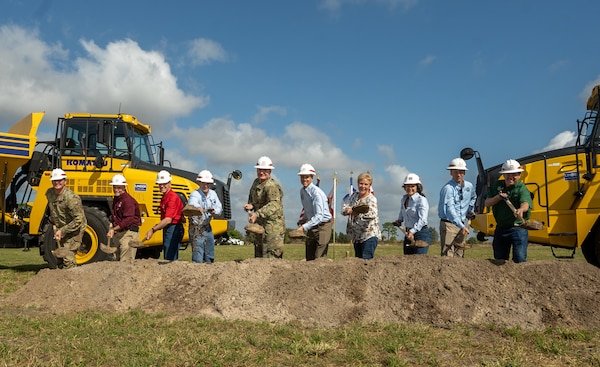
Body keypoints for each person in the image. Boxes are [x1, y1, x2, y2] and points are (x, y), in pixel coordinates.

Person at [484, 159, 533, 263]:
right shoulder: (497, 185)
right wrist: (498, 197)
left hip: (518, 228)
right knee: (499, 259)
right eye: (507, 174)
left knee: (519, 260)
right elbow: (487, 203)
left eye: (514, 174)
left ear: (519, 175)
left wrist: (520, 210)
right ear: (503, 175)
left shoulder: (521, 188)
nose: (510, 177)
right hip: (501, 229)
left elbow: (526, 203)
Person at [243, 156, 285, 258]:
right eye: (259, 170)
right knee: (259, 256)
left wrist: (257, 214)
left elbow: (274, 205)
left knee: (272, 257)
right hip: (260, 226)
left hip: (272, 227)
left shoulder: (272, 186)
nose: (262, 172)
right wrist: (250, 205)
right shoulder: (256, 183)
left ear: (270, 171)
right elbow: (254, 200)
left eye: (265, 170)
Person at [45, 168, 87, 268]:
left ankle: (72, 281)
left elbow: (79, 220)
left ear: (65, 182)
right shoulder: (50, 193)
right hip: (61, 228)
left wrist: (62, 231)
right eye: (55, 180)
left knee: (68, 258)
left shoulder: (71, 198)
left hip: (75, 229)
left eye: (60, 180)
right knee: (59, 256)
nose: (57, 182)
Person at [438, 158, 476, 258]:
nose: (458, 175)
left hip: (463, 223)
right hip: (449, 224)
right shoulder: (448, 188)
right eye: (455, 172)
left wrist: (470, 211)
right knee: (448, 254)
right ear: (451, 173)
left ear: (464, 172)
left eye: (461, 172)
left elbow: (473, 197)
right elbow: (450, 210)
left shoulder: (469, 186)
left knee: (459, 253)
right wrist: (461, 225)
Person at [296, 163, 333, 260]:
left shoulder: (317, 193)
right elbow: (307, 209)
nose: (304, 179)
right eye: (302, 177)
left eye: (307, 177)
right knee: (309, 256)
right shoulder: (302, 191)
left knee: (319, 258)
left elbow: (319, 216)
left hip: (323, 226)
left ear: (312, 178)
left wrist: (304, 227)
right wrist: (303, 220)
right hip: (312, 224)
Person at [145, 170, 184, 261]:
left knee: (170, 258)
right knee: (168, 255)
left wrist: (153, 230)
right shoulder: (165, 197)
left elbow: (168, 220)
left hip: (174, 228)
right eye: (160, 184)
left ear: (170, 183)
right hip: (169, 228)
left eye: (164, 183)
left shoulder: (172, 198)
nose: (162, 186)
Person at [342, 172, 381, 260]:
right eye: (361, 183)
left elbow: (373, 214)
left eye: (366, 184)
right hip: (356, 236)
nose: (363, 186)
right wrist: (347, 211)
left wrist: (357, 211)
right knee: (358, 263)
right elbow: (345, 207)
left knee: (366, 261)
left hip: (368, 235)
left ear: (369, 186)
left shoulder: (371, 199)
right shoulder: (354, 196)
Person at [187, 170, 222, 263]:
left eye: (208, 183)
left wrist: (215, 211)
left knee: (209, 253)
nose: (205, 186)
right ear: (199, 183)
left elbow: (219, 207)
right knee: (198, 254)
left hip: (207, 226)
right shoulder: (195, 194)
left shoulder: (213, 194)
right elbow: (192, 203)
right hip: (196, 228)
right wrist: (197, 207)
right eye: (203, 183)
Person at [393, 173, 431, 255]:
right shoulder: (404, 199)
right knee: (407, 261)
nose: (410, 188)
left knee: (418, 261)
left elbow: (423, 220)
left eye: (412, 186)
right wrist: (399, 220)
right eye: (408, 186)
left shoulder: (422, 200)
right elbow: (402, 211)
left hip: (421, 233)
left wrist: (412, 231)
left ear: (417, 187)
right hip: (408, 233)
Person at [107, 174, 141, 262]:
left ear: (124, 187)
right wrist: (112, 224)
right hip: (120, 232)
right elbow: (116, 215)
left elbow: (128, 221)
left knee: (125, 262)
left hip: (129, 233)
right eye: (115, 187)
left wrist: (113, 229)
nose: (116, 189)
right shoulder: (116, 199)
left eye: (119, 187)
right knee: (116, 260)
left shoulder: (128, 201)